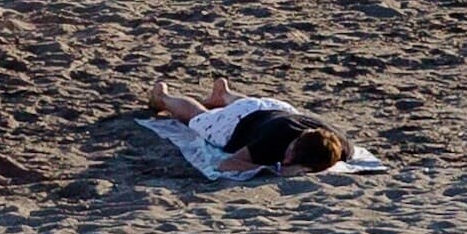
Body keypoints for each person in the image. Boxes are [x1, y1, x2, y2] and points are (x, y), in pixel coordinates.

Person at [149, 75, 350, 174]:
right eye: (289, 153)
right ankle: (163, 98)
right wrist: (270, 169)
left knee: (249, 105)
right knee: (198, 117)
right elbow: (226, 164)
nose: (286, 160)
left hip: (277, 108)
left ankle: (225, 94)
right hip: (240, 120)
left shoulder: (342, 145)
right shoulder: (272, 141)